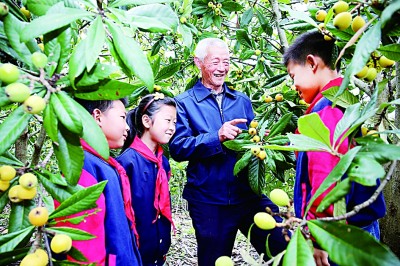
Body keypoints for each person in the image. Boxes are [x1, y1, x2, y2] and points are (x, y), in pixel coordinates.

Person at [169, 38, 288, 266]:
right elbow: (178, 147)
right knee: (215, 261)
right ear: (198, 63)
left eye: (226, 61)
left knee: (283, 244)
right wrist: (217, 136)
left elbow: (254, 138)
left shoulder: (241, 100)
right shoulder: (183, 103)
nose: (222, 68)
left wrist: (265, 138)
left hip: (248, 195)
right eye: (215, 62)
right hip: (209, 201)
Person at [283, 30, 386, 266]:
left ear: (311, 63)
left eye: (292, 76)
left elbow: (326, 178)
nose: (294, 85)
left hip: (340, 236)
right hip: (356, 228)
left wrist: (319, 238)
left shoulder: (326, 111)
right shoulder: (339, 102)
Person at [54, 99, 142, 266]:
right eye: (122, 117)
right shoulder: (81, 168)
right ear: (98, 117)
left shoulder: (101, 163)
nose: (127, 127)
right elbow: (85, 250)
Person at [117, 93, 177, 266]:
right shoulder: (127, 163)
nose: (172, 127)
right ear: (146, 121)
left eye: (174, 122)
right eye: (167, 120)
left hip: (157, 249)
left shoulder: (162, 162)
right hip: (134, 251)